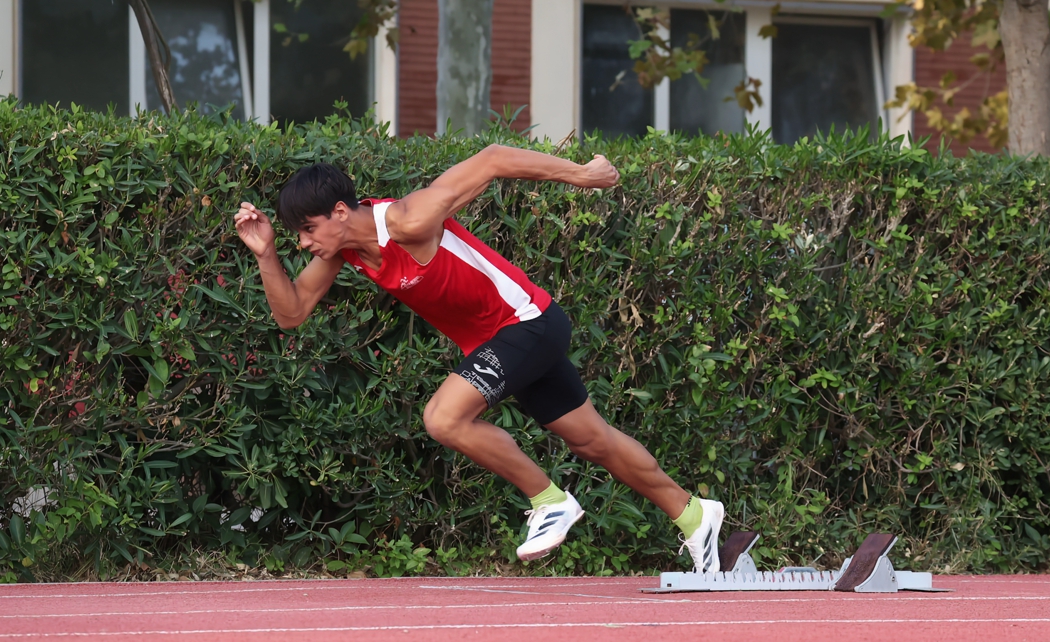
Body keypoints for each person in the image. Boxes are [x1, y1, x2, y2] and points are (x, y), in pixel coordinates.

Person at [233, 144, 725, 570]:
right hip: (506, 342)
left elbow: (492, 160)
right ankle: (694, 515)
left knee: (443, 419)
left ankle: (549, 500)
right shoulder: (342, 253)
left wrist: (584, 175)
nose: (304, 242)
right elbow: (291, 313)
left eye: (308, 229)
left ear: (340, 212)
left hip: (527, 322)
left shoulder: (408, 219)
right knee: (593, 440)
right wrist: (265, 254)